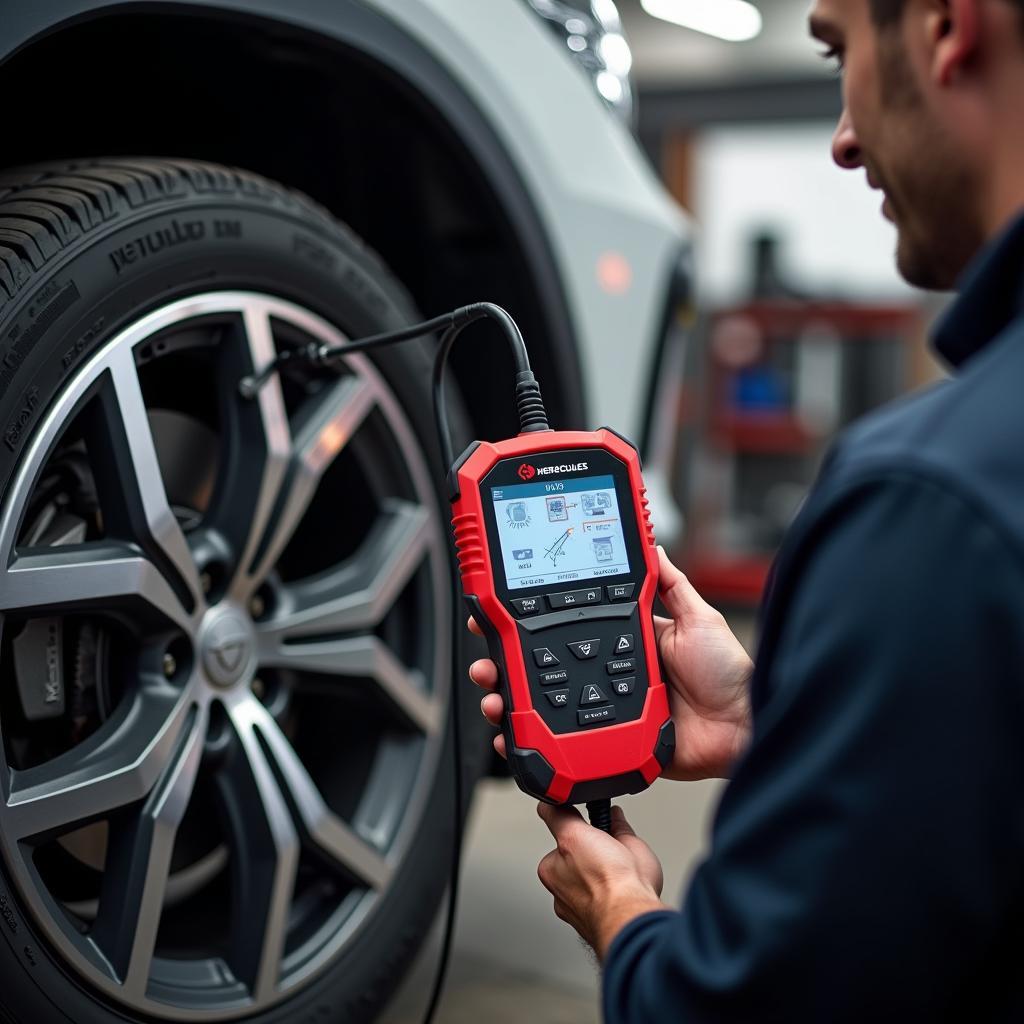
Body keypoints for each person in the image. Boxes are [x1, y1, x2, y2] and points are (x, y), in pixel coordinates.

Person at [467, 0, 1024, 1018]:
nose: (844, 140)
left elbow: (731, 1006)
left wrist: (621, 914)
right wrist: (783, 712)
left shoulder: (924, 500)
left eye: (837, 50)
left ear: (948, 27)